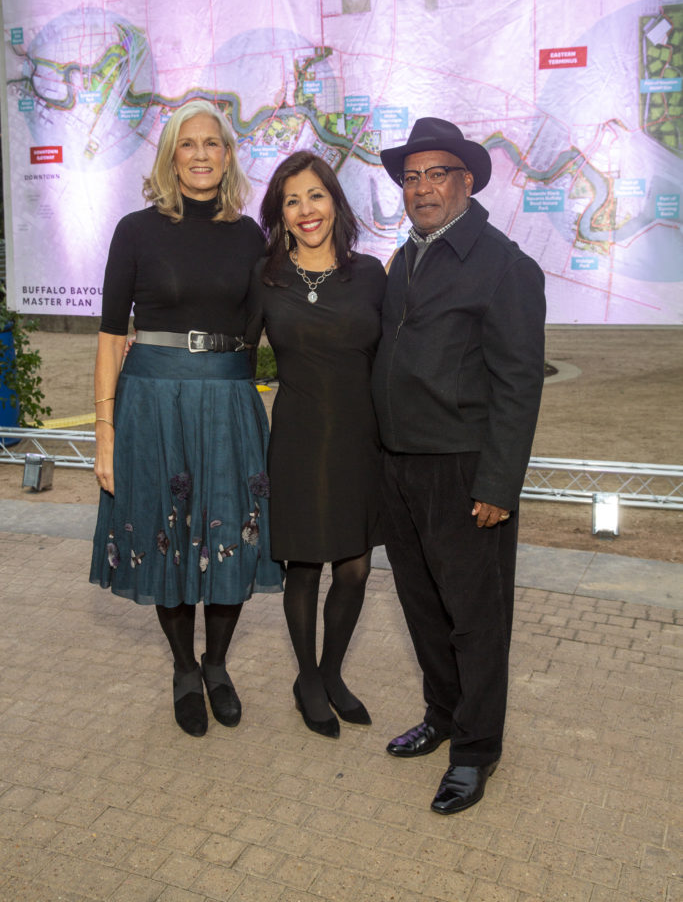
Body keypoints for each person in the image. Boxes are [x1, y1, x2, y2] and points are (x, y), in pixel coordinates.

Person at [90, 100, 283, 738]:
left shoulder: (250, 235)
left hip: (228, 400)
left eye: (213, 144)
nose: (201, 154)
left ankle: (217, 663)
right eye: (188, 144)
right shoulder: (135, 230)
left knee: (230, 527)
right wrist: (105, 435)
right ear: (171, 156)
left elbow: (267, 327)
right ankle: (181, 667)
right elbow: (111, 336)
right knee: (168, 535)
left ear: (228, 156)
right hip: (151, 400)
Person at [371, 117, 546, 813]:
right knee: (422, 609)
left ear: (466, 182)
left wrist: (498, 483)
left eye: (436, 173)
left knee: (475, 620)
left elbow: (517, 383)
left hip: (463, 471)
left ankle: (476, 751)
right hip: (399, 464)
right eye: (411, 177)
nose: (422, 188)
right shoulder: (404, 259)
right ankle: (442, 717)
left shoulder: (504, 266)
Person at [247, 151, 386, 738]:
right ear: (280, 213)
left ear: (335, 200)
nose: (307, 210)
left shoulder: (372, 275)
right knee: (303, 568)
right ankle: (306, 677)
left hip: (362, 440)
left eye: (316, 196)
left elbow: (398, 356)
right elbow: (233, 354)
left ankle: (331, 673)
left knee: (354, 569)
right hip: (299, 439)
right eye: (292, 200)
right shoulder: (266, 277)